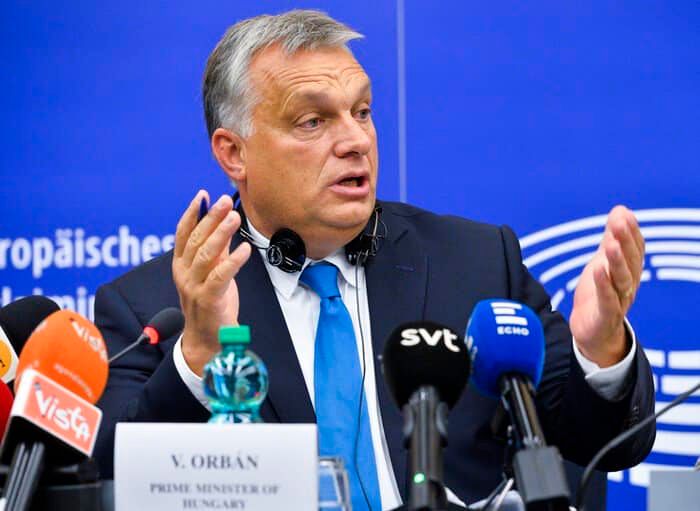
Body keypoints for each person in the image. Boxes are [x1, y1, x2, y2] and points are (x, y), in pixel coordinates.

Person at [94, 10, 655, 510]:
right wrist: (199, 352)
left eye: (361, 112)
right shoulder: (152, 306)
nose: (355, 140)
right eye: (313, 122)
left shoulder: (477, 261)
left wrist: (599, 350)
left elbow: (602, 445)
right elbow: (112, 481)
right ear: (233, 152)